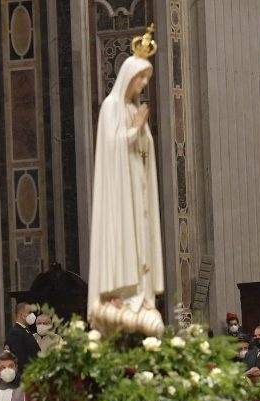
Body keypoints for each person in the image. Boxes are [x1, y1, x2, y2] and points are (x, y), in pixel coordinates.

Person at [87, 26, 164, 337]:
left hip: (138, 187)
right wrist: (135, 131)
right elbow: (112, 146)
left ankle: (140, 294)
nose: (144, 84)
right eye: (140, 77)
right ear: (128, 77)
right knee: (123, 236)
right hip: (119, 191)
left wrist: (141, 135)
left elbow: (144, 148)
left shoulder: (133, 108)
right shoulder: (111, 107)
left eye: (147, 78)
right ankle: (119, 293)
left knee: (141, 237)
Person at [6, 302, 40, 376]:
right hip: (26, 375)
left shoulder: (25, 330)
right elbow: (20, 358)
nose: (32, 315)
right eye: (30, 312)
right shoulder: (15, 333)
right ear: (22, 315)